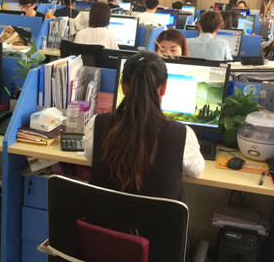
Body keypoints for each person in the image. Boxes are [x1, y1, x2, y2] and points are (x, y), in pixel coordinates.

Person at [84, 51, 204, 200]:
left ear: (123, 87)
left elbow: (91, 159)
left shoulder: (96, 124)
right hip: (158, 216)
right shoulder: (182, 134)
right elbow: (197, 171)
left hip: (104, 214)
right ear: (164, 88)